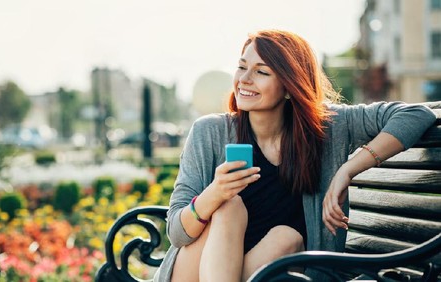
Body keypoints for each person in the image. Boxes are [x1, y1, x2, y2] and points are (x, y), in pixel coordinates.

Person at [153, 29, 437, 282]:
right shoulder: (209, 132)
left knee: (286, 237)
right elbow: (178, 234)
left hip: (265, 268)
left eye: (261, 72)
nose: (244, 80)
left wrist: (347, 169)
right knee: (229, 207)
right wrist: (214, 194)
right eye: (242, 67)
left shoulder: (331, 128)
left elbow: (415, 115)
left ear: (290, 87)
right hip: (192, 271)